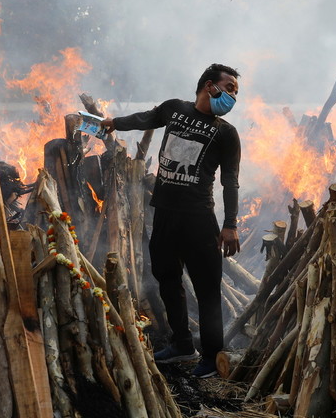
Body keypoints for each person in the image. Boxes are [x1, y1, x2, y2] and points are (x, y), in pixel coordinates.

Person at [102, 64, 241, 378]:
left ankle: (210, 358)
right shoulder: (175, 110)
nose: (233, 96)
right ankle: (182, 344)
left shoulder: (226, 133)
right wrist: (113, 122)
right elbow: (145, 119)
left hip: (199, 220)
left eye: (236, 92)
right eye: (229, 87)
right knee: (167, 280)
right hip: (165, 214)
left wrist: (230, 224)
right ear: (210, 86)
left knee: (207, 291)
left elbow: (230, 181)